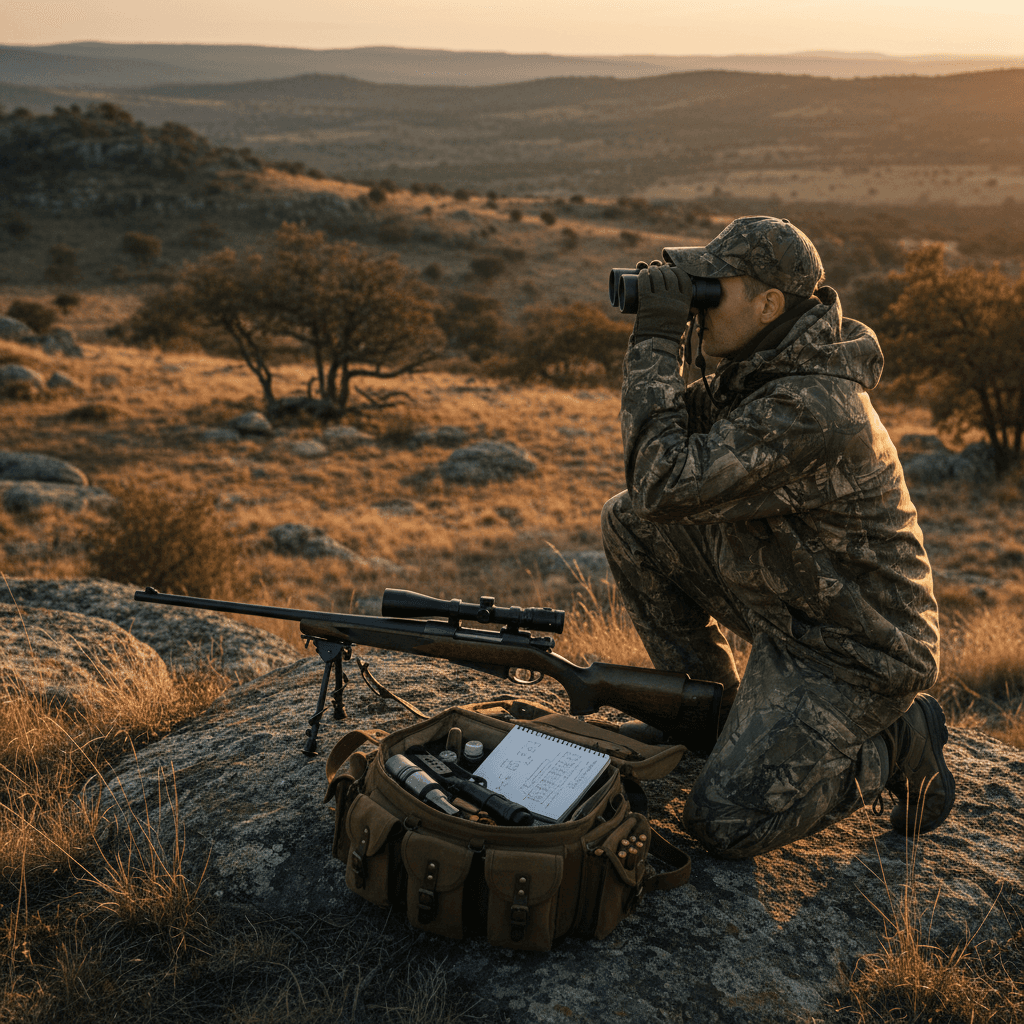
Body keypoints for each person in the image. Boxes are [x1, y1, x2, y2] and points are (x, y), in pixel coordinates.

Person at [602, 215, 954, 859]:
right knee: (630, 522)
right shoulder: (760, 371)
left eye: (712, 289)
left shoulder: (812, 406)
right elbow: (659, 478)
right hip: (793, 603)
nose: (699, 304)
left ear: (768, 305)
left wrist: (655, 338)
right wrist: (668, 333)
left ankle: (896, 741)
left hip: (856, 649)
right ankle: (710, 714)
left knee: (724, 821)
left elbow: (665, 481)